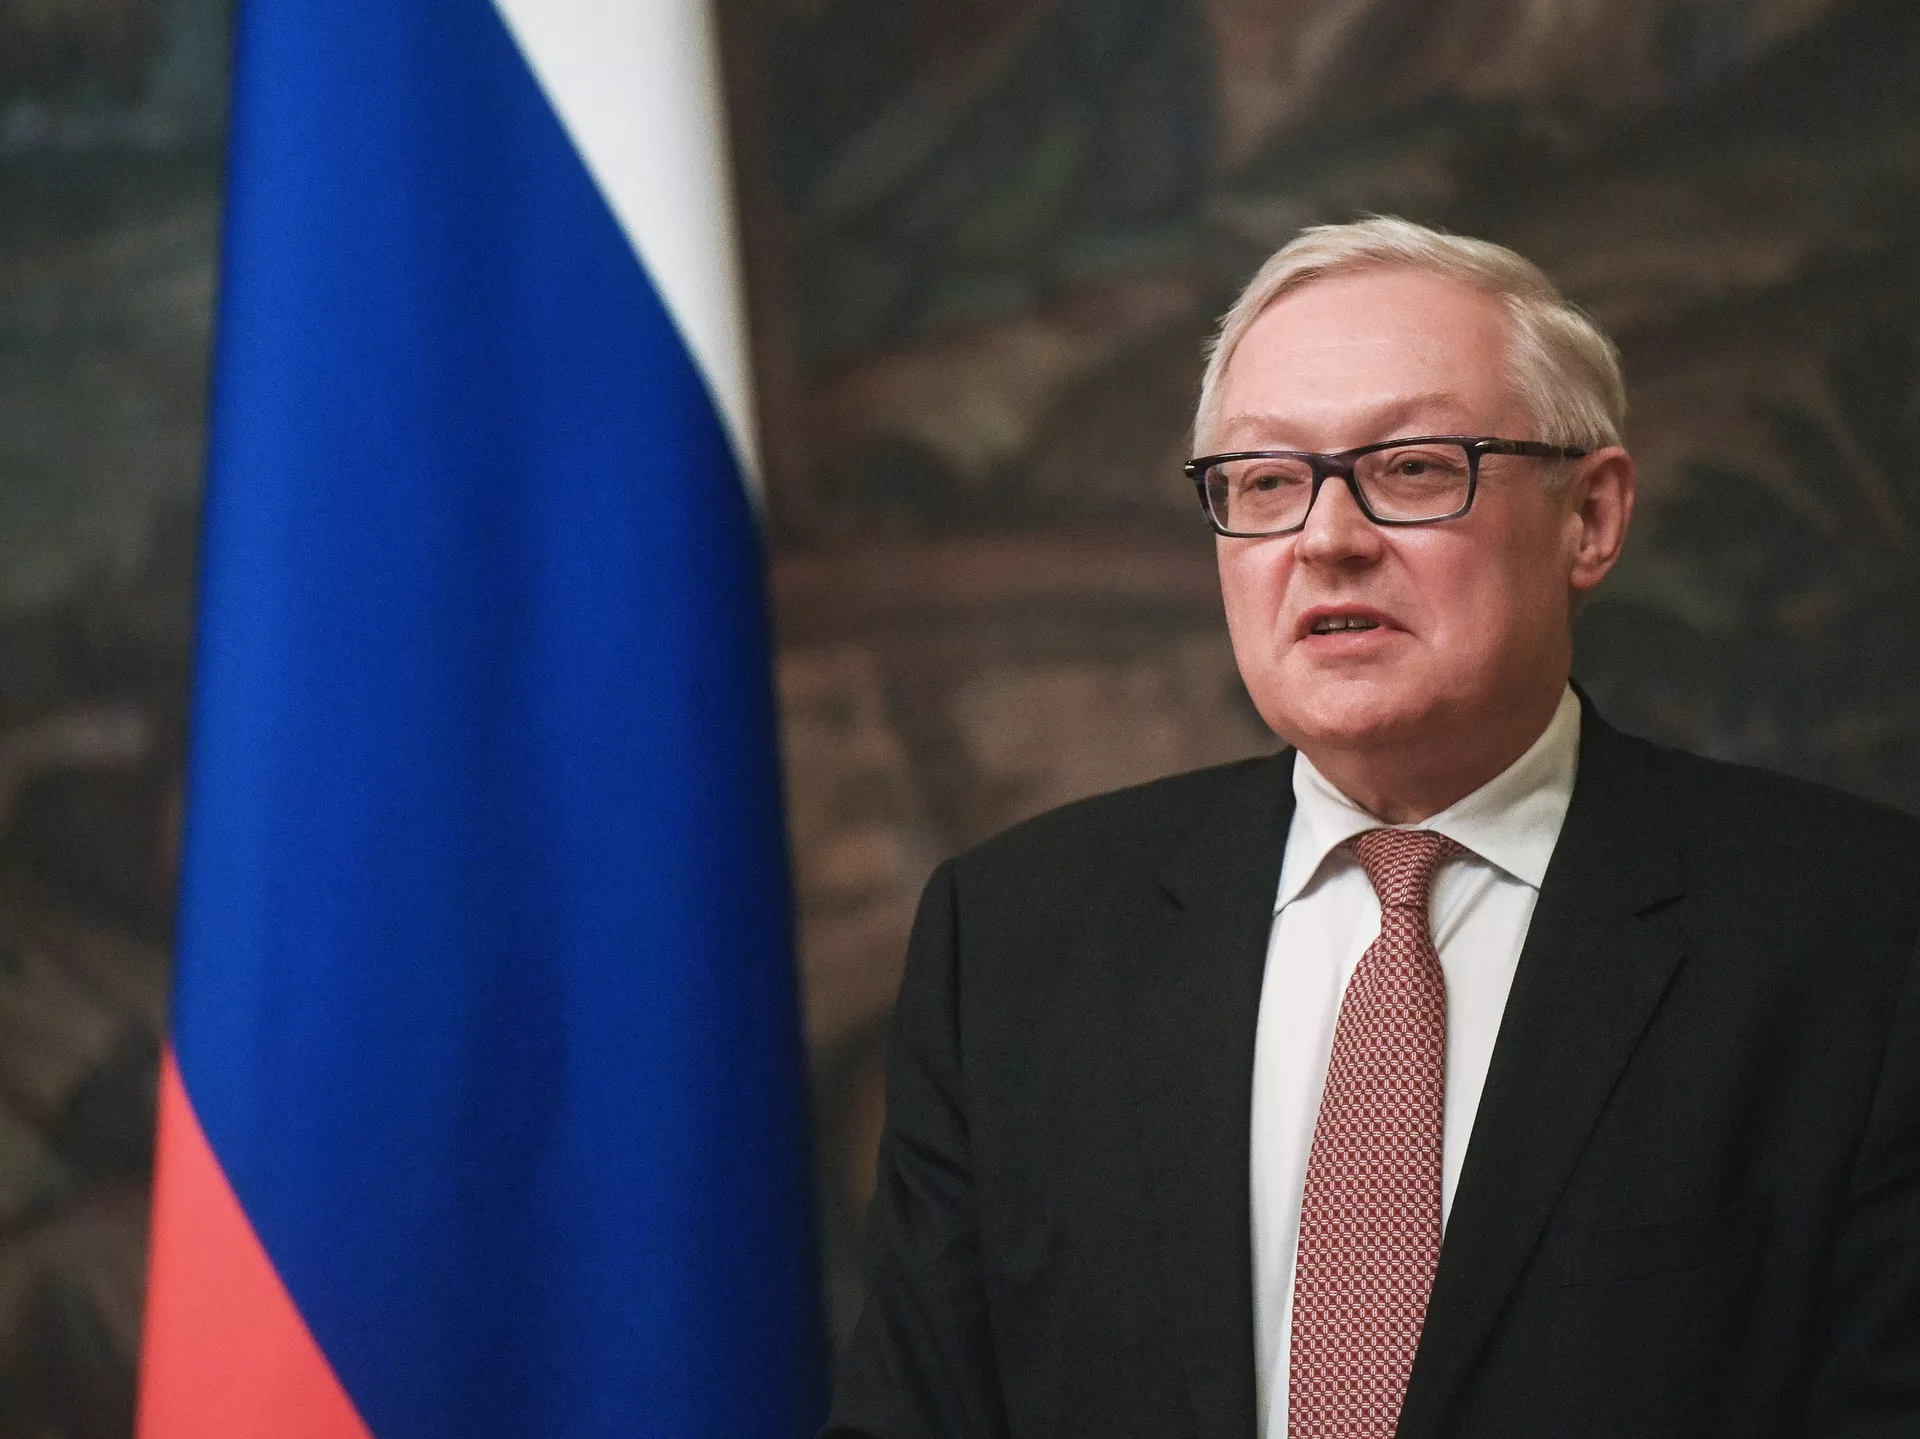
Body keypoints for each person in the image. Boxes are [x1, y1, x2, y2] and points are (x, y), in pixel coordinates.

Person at [821, 218, 1920, 1439]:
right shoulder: (1015, 938)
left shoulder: (1861, 934)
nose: (1328, 538)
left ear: (1590, 517)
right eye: (1266, 481)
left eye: (1412, 467)